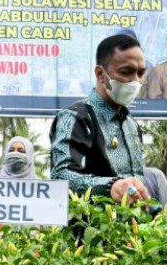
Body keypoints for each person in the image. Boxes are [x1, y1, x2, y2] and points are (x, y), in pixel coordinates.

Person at [50, 34, 150, 204]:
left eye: (140, 73)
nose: (136, 81)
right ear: (100, 74)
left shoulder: (131, 124)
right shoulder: (76, 117)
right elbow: (60, 177)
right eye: (126, 72)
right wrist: (110, 187)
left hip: (133, 227)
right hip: (92, 227)